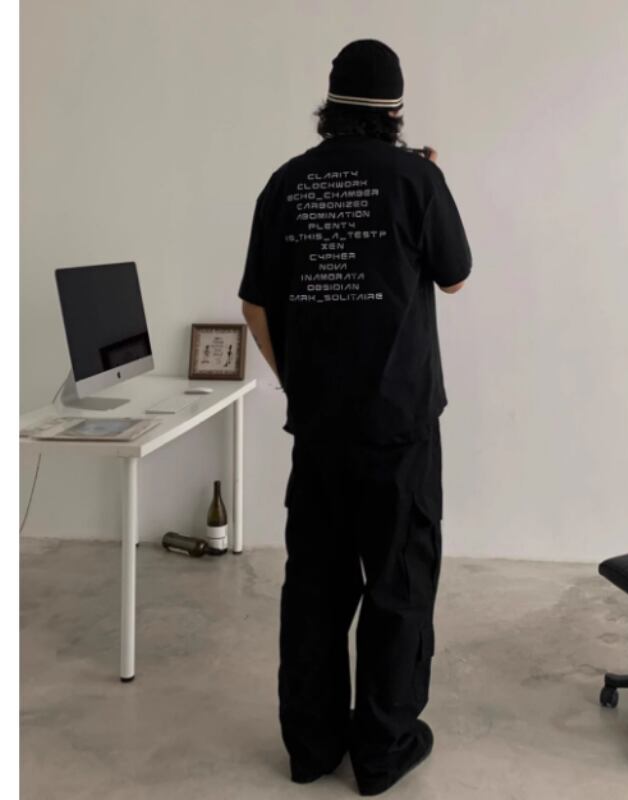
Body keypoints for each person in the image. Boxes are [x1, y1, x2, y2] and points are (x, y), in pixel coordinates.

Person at [238, 39, 471, 796]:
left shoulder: (286, 183)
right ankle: (382, 751)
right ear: (395, 111)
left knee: (315, 584)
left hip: (319, 428)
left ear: (330, 105)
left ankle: (310, 748)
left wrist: (298, 383)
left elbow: (254, 304)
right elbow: (455, 278)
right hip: (399, 425)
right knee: (398, 583)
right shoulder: (418, 178)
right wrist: (425, 178)